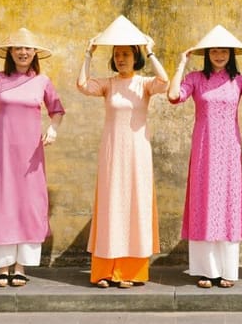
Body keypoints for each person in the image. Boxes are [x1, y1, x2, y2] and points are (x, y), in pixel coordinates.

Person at [0, 28, 65, 288]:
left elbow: (57, 109)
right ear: (11, 53)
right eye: (18, 48)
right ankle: (2, 267)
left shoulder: (42, 81)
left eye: (28, 48)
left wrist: (53, 129)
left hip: (30, 155)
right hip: (3, 151)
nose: (23, 52)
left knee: (28, 204)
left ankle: (20, 266)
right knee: (3, 202)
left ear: (34, 53)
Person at [167, 24, 242, 289]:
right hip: (203, 149)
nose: (219, 54)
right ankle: (206, 270)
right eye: (214, 50)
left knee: (227, 204)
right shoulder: (195, 78)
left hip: (229, 151)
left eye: (224, 50)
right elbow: (174, 96)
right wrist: (181, 64)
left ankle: (227, 270)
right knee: (204, 203)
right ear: (207, 53)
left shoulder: (239, 80)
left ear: (231, 54)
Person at [77, 15, 169, 288]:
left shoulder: (144, 84)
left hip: (138, 153)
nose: (121, 59)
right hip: (112, 152)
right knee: (111, 206)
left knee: (135, 207)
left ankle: (130, 271)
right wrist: (88, 54)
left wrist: (151, 51)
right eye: (117, 55)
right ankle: (105, 270)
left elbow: (165, 82)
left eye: (126, 54)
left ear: (135, 57)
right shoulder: (108, 83)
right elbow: (82, 85)